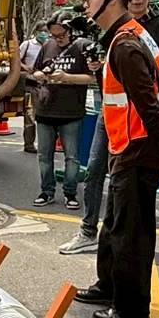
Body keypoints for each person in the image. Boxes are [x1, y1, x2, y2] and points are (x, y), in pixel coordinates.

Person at [70, 0, 159, 318]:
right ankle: (109, 285)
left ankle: (131, 307)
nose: (86, 2)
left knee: (132, 230)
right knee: (115, 223)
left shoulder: (126, 44)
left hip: (138, 148)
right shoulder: (122, 36)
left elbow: (150, 103)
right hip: (125, 145)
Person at [31, 11, 98, 208]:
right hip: (45, 111)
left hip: (71, 112)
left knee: (72, 157)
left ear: (71, 31)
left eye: (61, 35)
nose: (58, 39)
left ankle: (70, 193)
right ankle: (46, 191)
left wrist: (66, 78)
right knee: (44, 157)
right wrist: (40, 75)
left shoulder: (83, 46)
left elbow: (91, 77)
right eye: (54, 35)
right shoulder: (47, 46)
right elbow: (36, 71)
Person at [19, 20, 48, 153]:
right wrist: (26, 68)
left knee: (45, 117)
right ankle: (29, 144)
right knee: (30, 116)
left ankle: (45, 145)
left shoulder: (49, 45)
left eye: (46, 31)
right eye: (42, 31)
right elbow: (15, 60)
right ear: (36, 32)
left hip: (46, 85)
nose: (44, 34)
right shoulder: (28, 45)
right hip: (30, 85)